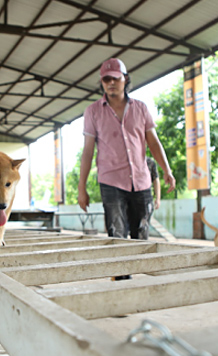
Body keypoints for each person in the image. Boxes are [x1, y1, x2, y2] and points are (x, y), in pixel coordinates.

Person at [78, 57, 176, 242]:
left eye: (116, 78)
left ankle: (134, 271)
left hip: (141, 180)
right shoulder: (93, 112)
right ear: (102, 82)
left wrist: (167, 170)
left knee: (141, 236)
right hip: (111, 182)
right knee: (117, 236)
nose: (112, 83)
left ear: (125, 79)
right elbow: (88, 151)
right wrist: (81, 188)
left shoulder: (141, 108)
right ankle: (123, 273)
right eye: (107, 79)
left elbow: (154, 143)